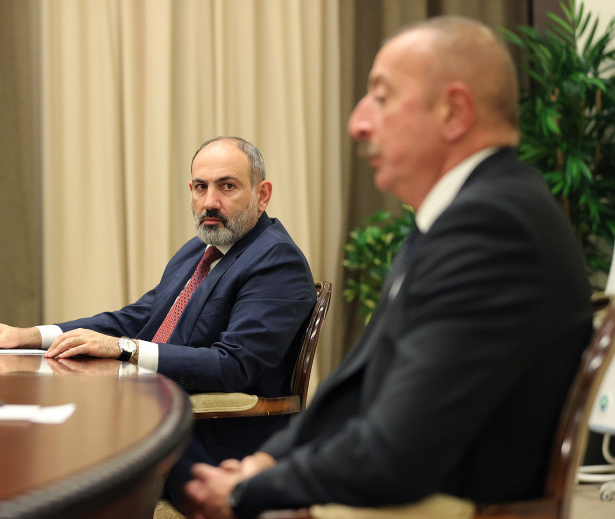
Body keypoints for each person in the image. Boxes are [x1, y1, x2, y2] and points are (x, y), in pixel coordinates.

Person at [182, 16, 593, 519]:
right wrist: (265, 461)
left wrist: (250, 490)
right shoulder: (465, 213)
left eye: (381, 97)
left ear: (453, 112)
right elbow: (357, 388)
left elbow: (397, 454)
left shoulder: (492, 227)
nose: (358, 122)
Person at [0, 136, 317, 504]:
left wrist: (125, 349)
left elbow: (234, 365)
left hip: (205, 440)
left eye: (227, 186)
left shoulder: (275, 260)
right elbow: (136, 318)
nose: (209, 202)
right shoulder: (200, 250)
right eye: (201, 187)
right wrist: (30, 336)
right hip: (152, 414)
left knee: (46, 453)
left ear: (262, 194)